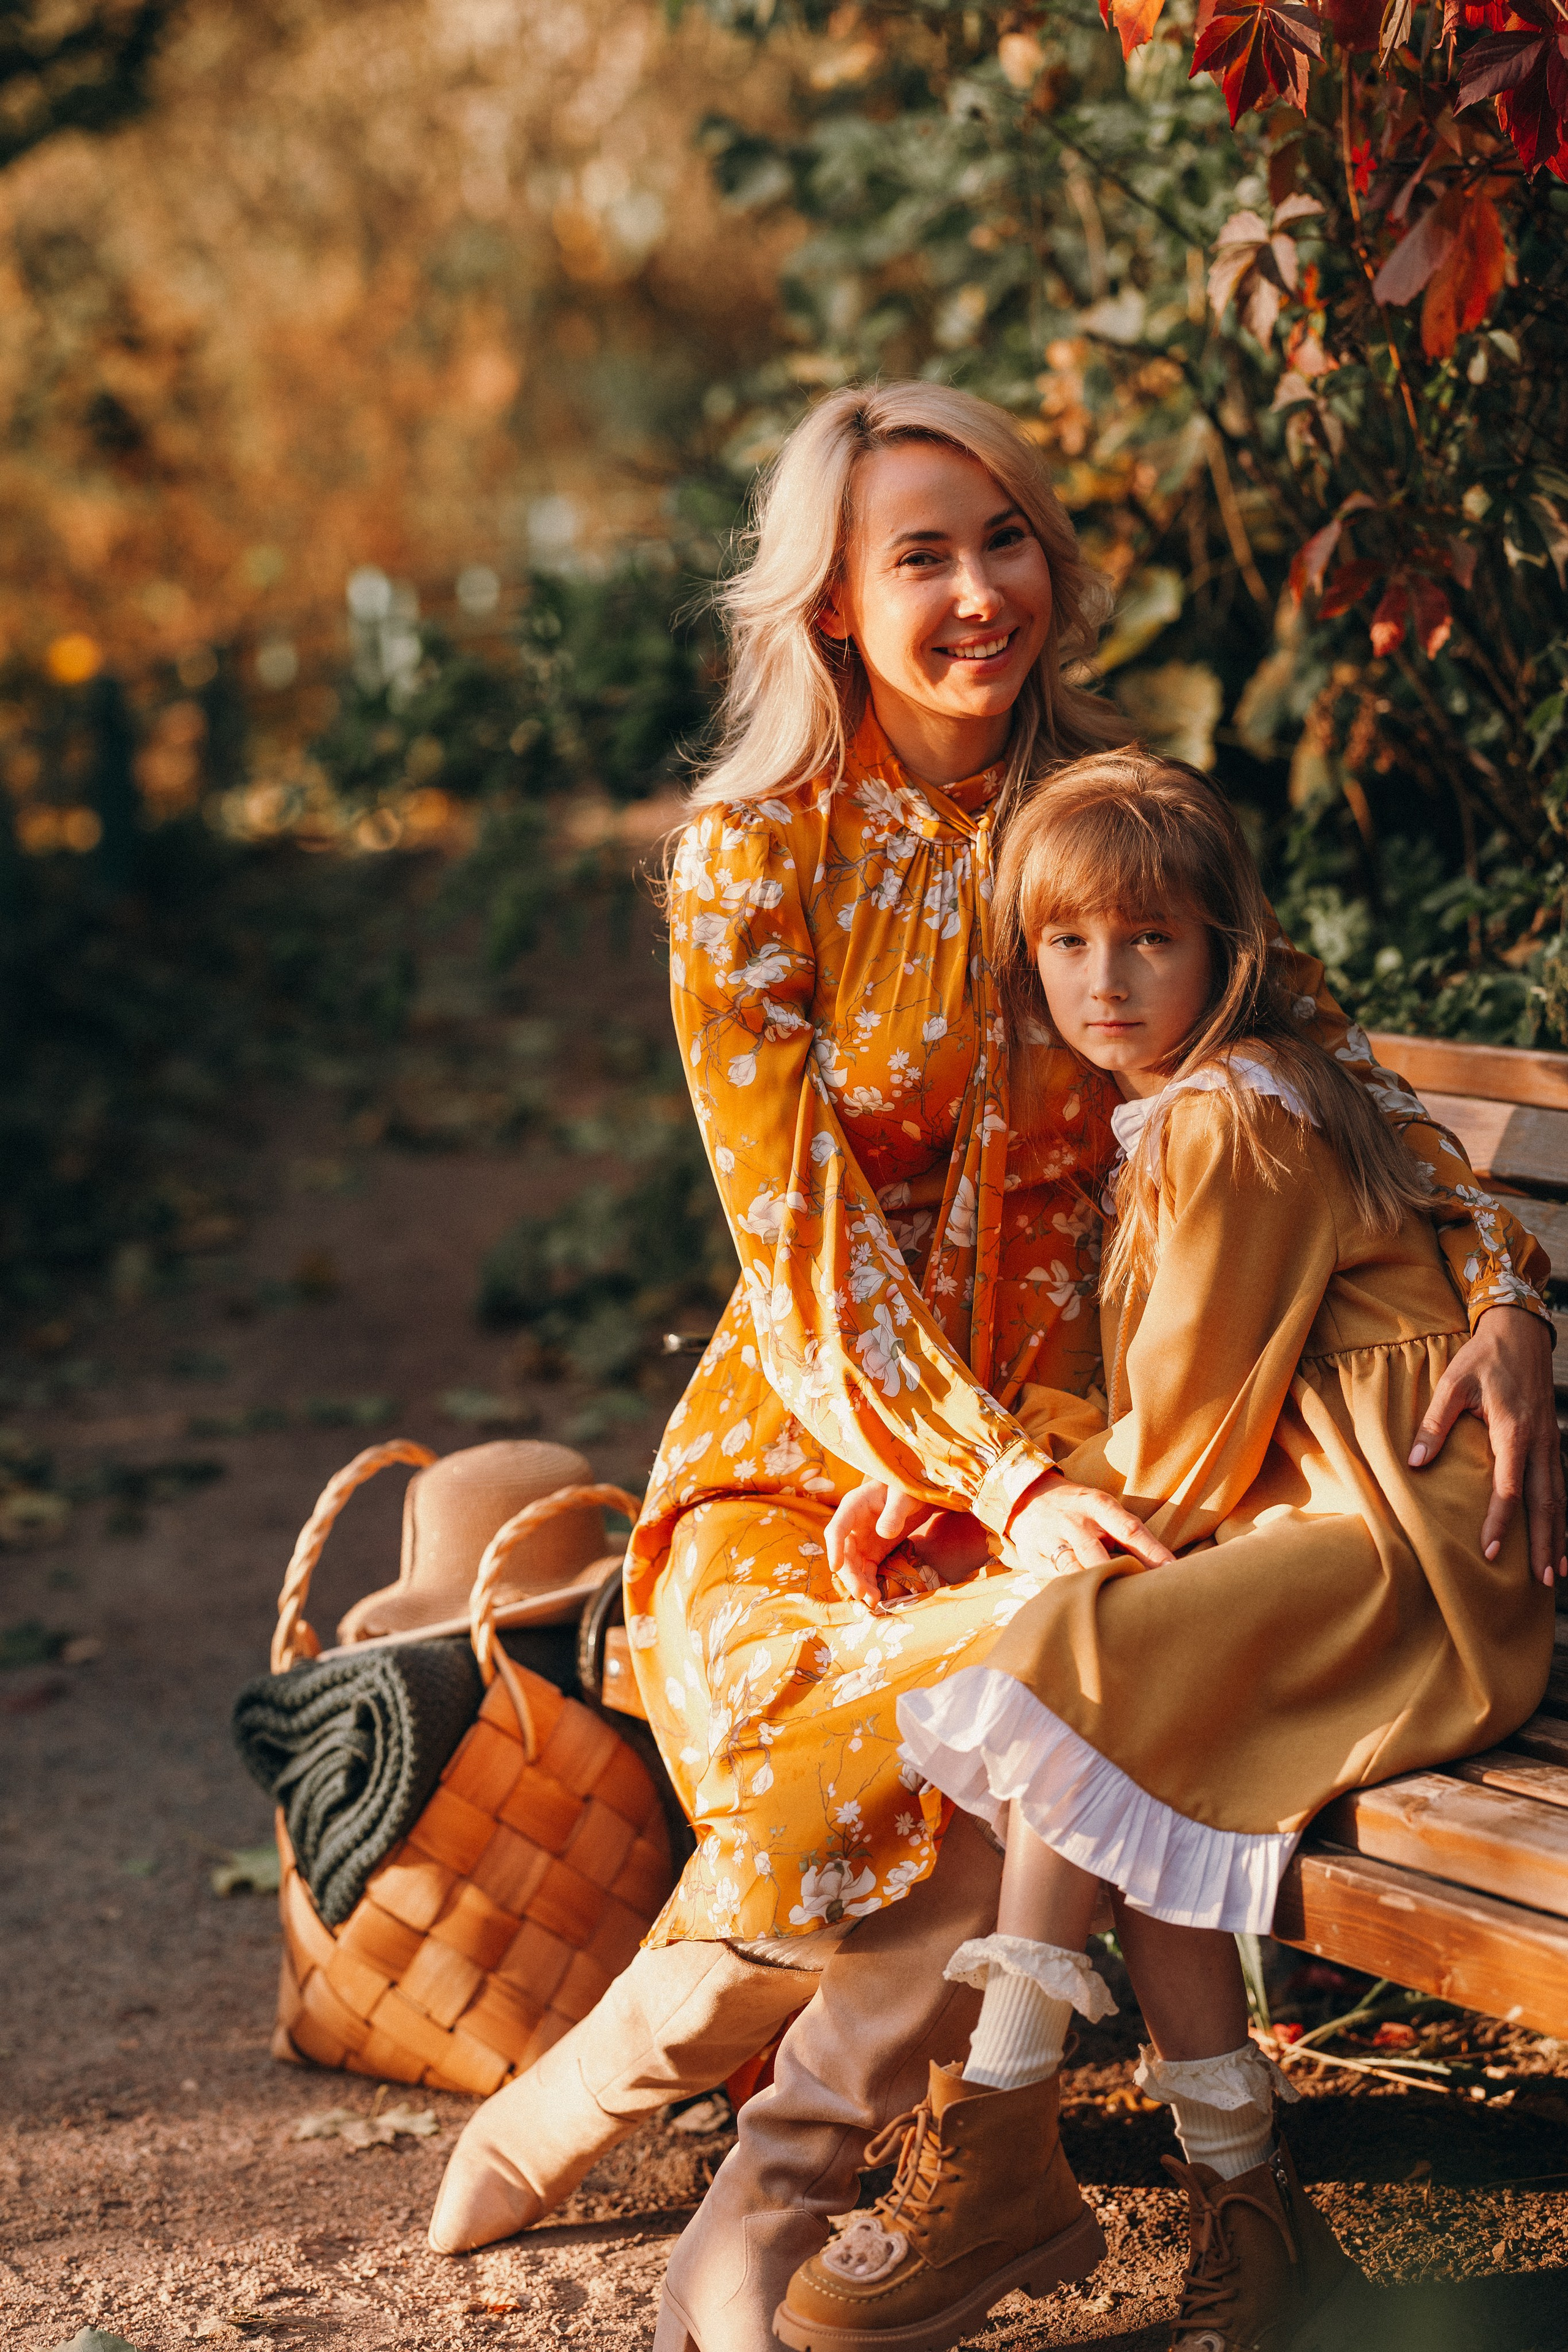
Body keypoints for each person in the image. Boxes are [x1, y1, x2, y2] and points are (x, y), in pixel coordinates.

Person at [426, 383, 1563, 2352]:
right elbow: (796, 1252)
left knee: (1040, 1695)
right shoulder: (749, 860)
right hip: (834, 1443)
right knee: (870, 1742)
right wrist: (999, 1486)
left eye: (1004, 539)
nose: (977, 594)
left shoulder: (1120, 809)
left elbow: (1355, 1082)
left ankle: (836, 2176)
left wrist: (1518, 1296)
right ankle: (640, 2075)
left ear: (1054, 555)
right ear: (833, 607)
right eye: (918, 557)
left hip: (1132, 1439)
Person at [773, 753, 1556, 2352]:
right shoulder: (1217, 1100)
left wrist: (1023, 1513)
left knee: (1082, 1659)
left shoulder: (1231, 1119)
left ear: (1225, 952)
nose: (1106, 980)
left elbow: (1184, 1451)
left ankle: (998, 2118)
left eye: (1149, 943)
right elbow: (1184, 1438)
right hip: (1339, 1526)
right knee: (1135, 1738)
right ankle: (1252, 2215)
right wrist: (991, 1490)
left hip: (1403, 1551)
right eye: (1068, 946)